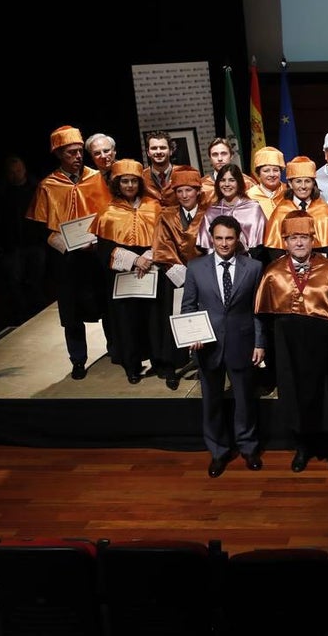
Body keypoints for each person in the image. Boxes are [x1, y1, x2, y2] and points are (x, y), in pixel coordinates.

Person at [255, 211, 328, 472]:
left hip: (323, 342)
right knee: (294, 393)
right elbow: (264, 315)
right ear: (284, 241)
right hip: (287, 344)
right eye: (293, 238)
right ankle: (302, 448)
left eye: (304, 237)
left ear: (313, 239)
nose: (299, 243)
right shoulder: (272, 272)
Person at [182, 215, 266, 478]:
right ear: (211, 238)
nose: (224, 243)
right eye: (218, 238)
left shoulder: (253, 267)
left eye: (229, 238)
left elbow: (258, 309)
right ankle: (218, 451)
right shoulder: (195, 267)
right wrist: (190, 335)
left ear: (238, 238)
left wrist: (260, 342)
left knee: (245, 401)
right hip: (208, 345)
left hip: (242, 343)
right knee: (212, 402)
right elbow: (188, 307)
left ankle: (248, 447)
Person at [27, 126, 109, 379]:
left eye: (78, 151)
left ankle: (116, 350)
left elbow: (109, 214)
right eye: (70, 152)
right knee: (72, 312)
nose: (77, 156)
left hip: (95, 254)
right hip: (67, 260)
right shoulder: (48, 186)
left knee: (106, 303)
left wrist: (98, 240)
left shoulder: (95, 178)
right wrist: (66, 244)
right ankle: (78, 360)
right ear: (59, 154)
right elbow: (40, 226)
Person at [92, 159, 162, 384]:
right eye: (125, 181)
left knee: (151, 317)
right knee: (126, 320)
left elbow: (162, 238)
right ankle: (131, 365)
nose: (130, 185)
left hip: (151, 269)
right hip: (122, 274)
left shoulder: (154, 206)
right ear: (117, 184)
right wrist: (134, 260)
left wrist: (147, 258)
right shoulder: (108, 211)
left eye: (134, 181)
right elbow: (104, 248)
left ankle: (158, 360)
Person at [150, 167, 207, 390]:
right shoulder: (166, 216)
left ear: (197, 191)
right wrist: (183, 274)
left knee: (203, 321)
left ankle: (203, 366)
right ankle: (174, 366)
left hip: (203, 275)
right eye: (180, 191)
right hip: (175, 277)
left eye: (189, 190)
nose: (184, 195)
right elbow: (161, 246)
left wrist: (198, 275)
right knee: (176, 321)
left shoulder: (208, 213)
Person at [0, 154, 47, 325]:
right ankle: (20, 317)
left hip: (35, 242)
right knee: (14, 282)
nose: (15, 174)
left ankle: (38, 315)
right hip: (11, 245)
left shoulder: (37, 188)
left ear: (24, 170)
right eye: (11, 172)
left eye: (18, 170)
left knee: (36, 280)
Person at [262, 156, 328, 261]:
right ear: (290, 184)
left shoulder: (324, 209)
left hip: (320, 267)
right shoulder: (281, 211)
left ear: (313, 184)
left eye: (307, 181)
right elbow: (274, 249)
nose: (303, 186)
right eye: (298, 181)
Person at [196, 163, 267, 260]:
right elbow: (206, 248)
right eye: (222, 180)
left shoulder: (253, 208)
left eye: (231, 180)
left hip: (250, 264)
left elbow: (261, 246)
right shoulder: (211, 211)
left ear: (239, 183)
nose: (226, 184)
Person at [200, 137, 256, 208]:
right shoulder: (203, 186)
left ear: (231, 156)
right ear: (210, 158)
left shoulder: (247, 182)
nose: (220, 159)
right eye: (215, 154)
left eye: (224, 154)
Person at [141, 130, 184, 206]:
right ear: (148, 153)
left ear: (170, 151)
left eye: (162, 148)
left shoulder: (184, 173)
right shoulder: (141, 178)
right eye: (154, 148)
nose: (158, 151)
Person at [245, 146, 289, 218]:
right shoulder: (249, 196)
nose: (271, 174)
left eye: (275, 170)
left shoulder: (288, 192)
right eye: (266, 171)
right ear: (258, 174)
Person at [85, 132, 117, 209]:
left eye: (106, 151)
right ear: (91, 157)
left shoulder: (127, 169)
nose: (103, 156)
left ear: (114, 151)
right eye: (97, 153)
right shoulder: (87, 178)